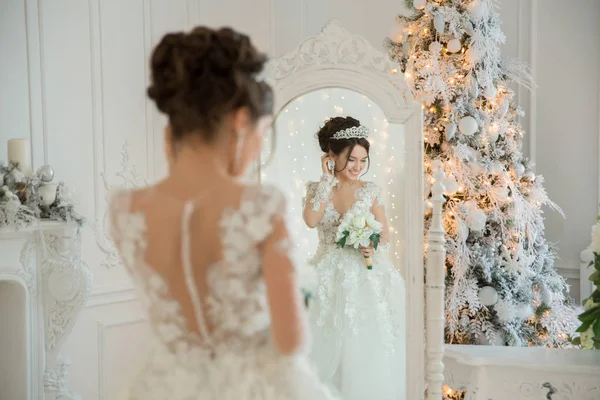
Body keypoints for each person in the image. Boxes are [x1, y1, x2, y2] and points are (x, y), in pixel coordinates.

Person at [108, 26, 337, 400]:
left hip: (162, 386)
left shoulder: (125, 210)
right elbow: (291, 340)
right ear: (241, 121)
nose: (256, 150)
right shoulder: (262, 206)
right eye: (262, 135)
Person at [303, 116, 407, 400]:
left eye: (363, 160)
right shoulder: (318, 189)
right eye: (351, 160)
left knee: (362, 346)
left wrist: (371, 246)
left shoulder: (370, 190)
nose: (358, 167)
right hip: (325, 272)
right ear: (331, 157)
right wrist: (326, 181)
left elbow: (384, 234)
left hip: (363, 274)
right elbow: (312, 220)